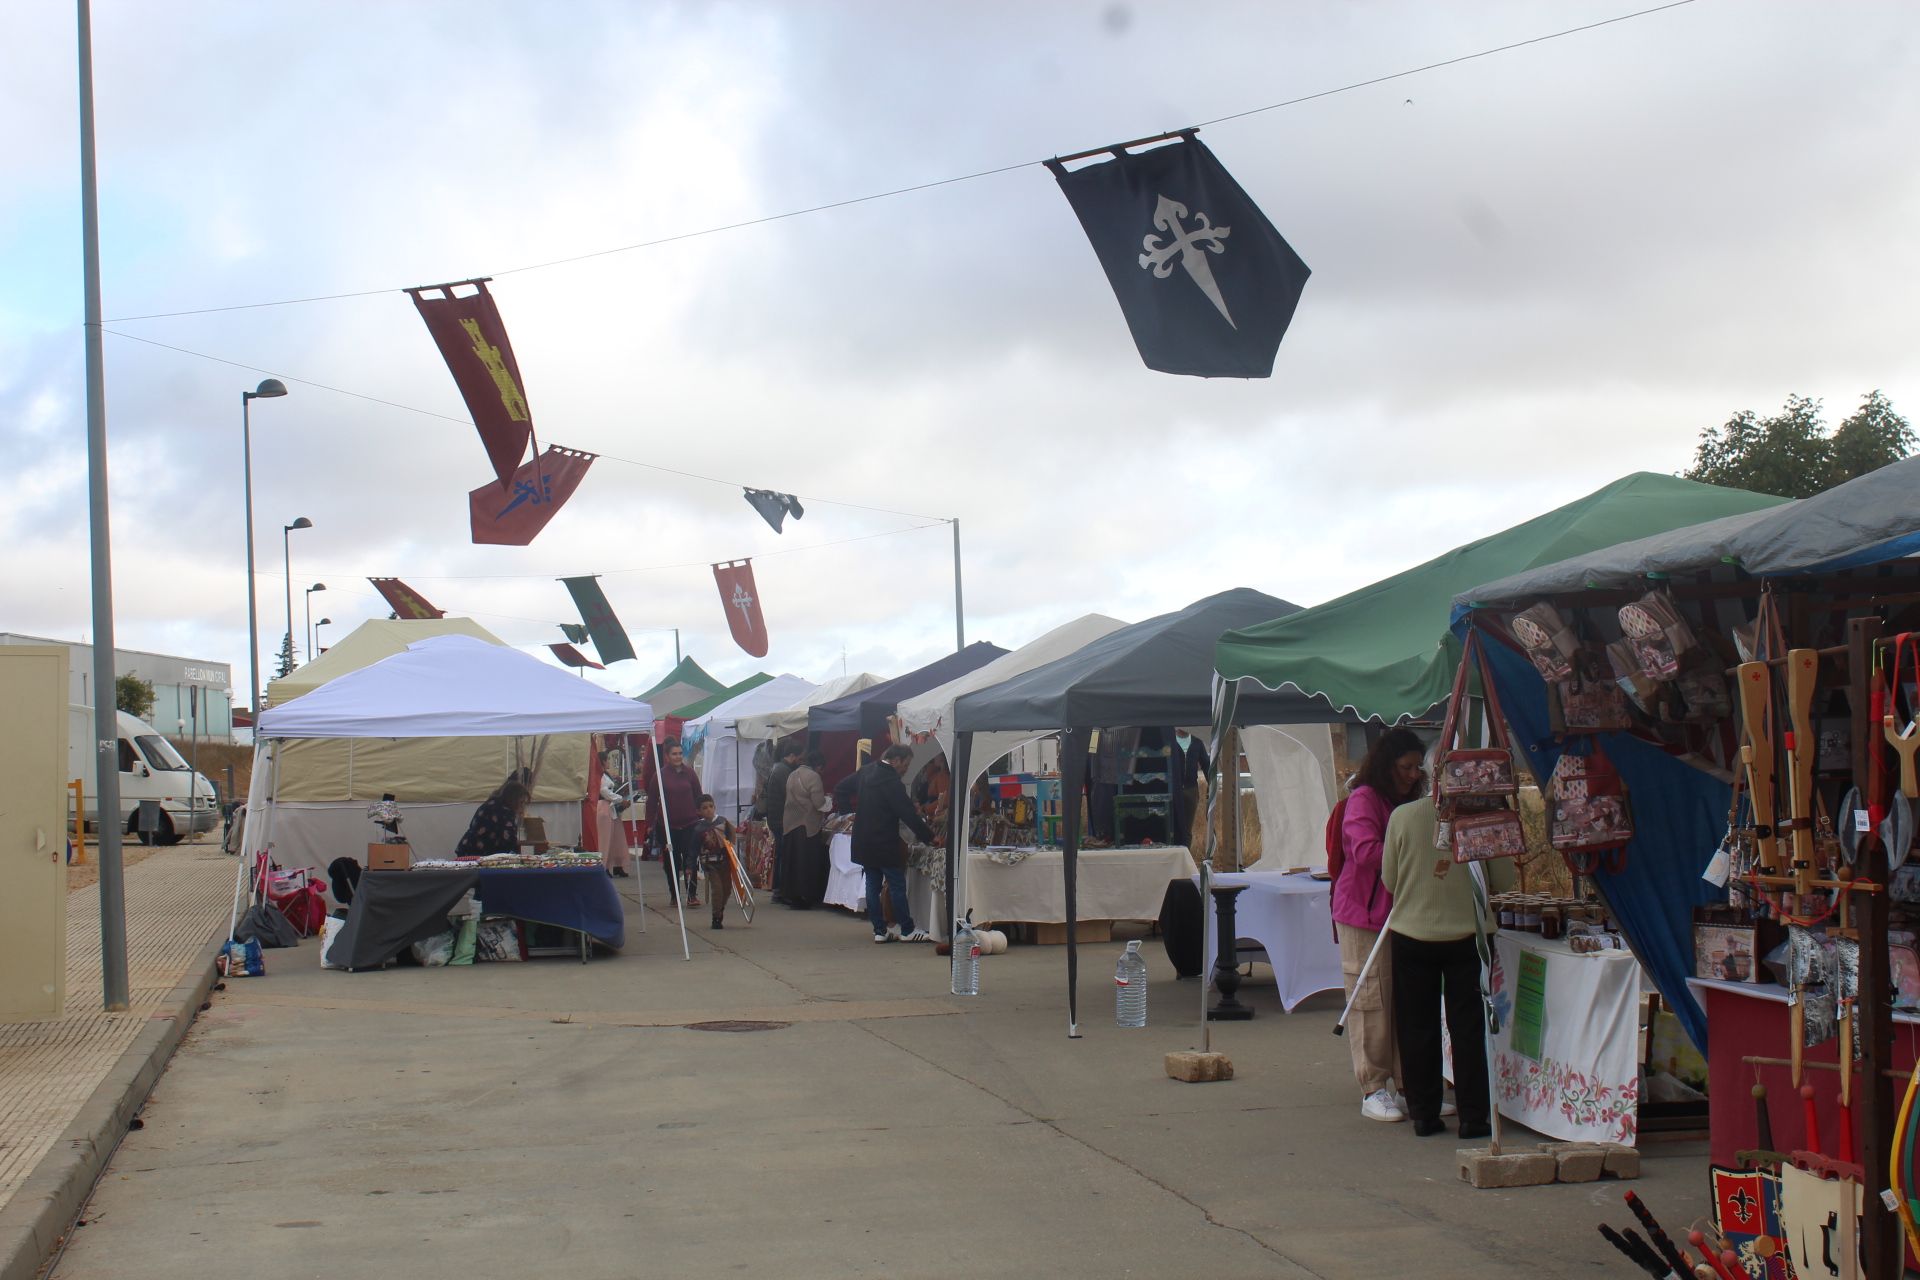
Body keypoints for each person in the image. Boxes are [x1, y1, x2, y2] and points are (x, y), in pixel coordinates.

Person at [1380, 784, 1517, 1140]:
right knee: (1469, 1027)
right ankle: (1474, 1116)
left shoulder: (1403, 816)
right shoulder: (1483, 818)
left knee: (1416, 1025)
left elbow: (1389, 880)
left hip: (1412, 932)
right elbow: (1504, 880)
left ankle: (1424, 1113)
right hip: (1468, 935)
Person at [1333, 726, 1426, 1124]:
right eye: (1406, 767)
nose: (1413, 775)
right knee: (1370, 998)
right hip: (1364, 915)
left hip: (1404, 912)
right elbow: (1366, 851)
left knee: (1404, 999)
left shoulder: (1409, 801)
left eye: (1418, 768)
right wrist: (1412, 855)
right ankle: (1373, 1086)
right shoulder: (1363, 800)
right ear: (1388, 766)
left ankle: (1407, 1085)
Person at [852, 744, 935, 943]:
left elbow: (842, 787)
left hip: (864, 838)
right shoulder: (891, 782)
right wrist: (930, 837)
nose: (906, 769)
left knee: (872, 885)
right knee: (897, 884)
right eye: (905, 765)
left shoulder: (866, 772)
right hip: (884, 840)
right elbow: (908, 814)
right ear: (895, 760)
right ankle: (907, 929)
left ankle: (879, 930)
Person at [647, 740, 703, 906]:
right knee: (672, 862)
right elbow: (651, 801)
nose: (678, 757)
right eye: (674, 754)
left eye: (680, 753)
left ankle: (691, 895)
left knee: (691, 860)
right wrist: (649, 824)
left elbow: (699, 797)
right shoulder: (659, 775)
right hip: (668, 827)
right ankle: (675, 895)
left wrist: (703, 820)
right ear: (667, 756)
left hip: (690, 824)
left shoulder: (690, 774)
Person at [780, 748, 828, 909]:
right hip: (807, 825)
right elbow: (818, 803)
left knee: (792, 861)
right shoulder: (814, 777)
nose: (822, 771)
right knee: (806, 862)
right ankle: (805, 895)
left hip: (789, 823)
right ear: (818, 765)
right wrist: (828, 801)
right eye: (822, 767)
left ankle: (791, 895)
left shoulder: (792, 774)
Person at [764, 742, 803, 902]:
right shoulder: (784, 772)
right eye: (799, 758)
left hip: (776, 817)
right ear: (792, 756)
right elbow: (790, 796)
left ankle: (779, 889)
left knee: (781, 853)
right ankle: (780, 890)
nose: (800, 761)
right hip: (781, 819)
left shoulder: (778, 768)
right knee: (783, 854)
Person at [693, 795, 737, 929]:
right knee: (717, 889)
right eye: (704, 808)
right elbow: (693, 849)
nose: (708, 810)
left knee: (727, 889)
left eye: (711, 807)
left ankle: (720, 909)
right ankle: (716, 917)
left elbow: (731, 837)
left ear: (715, 807)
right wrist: (690, 867)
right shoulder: (698, 828)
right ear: (699, 812)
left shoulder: (723, 822)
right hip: (710, 864)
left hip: (725, 862)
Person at [455, 779, 529, 858]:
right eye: (521, 802)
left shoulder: (492, 803)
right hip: (478, 853)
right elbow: (510, 841)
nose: (523, 806)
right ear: (513, 799)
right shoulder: (504, 812)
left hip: (468, 847)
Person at [596, 745, 634, 878]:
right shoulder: (600, 776)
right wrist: (619, 798)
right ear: (602, 761)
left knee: (616, 838)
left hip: (610, 807)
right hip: (604, 807)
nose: (608, 763)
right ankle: (603, 866)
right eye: (607, 760)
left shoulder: (605, 775)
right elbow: (604, 791)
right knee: (605, 840)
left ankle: (617, 864)